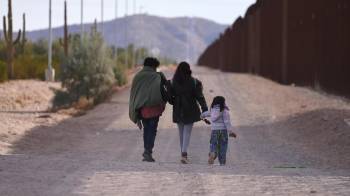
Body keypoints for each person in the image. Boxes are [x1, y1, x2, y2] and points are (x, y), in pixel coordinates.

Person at [129, 57, 167, 162]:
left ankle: (147, 150)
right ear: (154, 66)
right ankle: (148, 151)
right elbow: (165, 89)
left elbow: (134, 94)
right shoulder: (157, 76)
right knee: (152, 131)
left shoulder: (138, 76)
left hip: (143, 110)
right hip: (155, 109)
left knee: (146, 130)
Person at [170, 62, 208, 164]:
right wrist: (204, 109)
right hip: (190, 109)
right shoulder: (194, 82)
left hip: (178, 109)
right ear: (188, 69)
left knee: (181, 133)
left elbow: (170, 96)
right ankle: (184, 154)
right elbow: (200, 97)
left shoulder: (174, 82)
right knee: (187, 132)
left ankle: (183, 153)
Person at [201, 96, 237, 166]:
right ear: (223, 103)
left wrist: (202, 116)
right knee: (223, 146)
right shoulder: (224, 111)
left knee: (213, 144)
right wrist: (230, 131)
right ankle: (222, 162)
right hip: (223, 131)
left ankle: (213, 153)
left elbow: (205, 114)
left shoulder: (212, 110)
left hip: (214, 130)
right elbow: (227, 122)